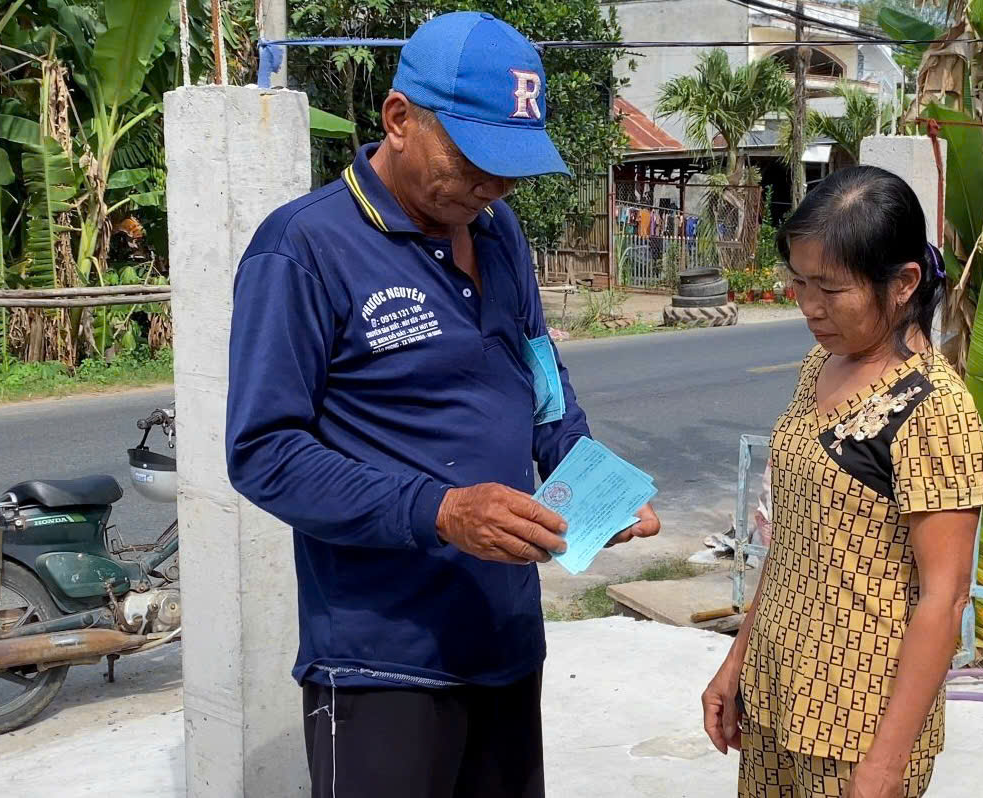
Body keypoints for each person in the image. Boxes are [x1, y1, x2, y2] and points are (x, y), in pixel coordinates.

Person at [224, 12, 660, 798]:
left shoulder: (498, 232)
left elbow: (539, 379)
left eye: (512, 167)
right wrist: (441, 511)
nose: (494, 185)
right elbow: (265, 453)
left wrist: (590, 476)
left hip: (505, 641)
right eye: (473, 160)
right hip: (380, 662)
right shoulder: (304, 249)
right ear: (399, 118)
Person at [701, 166, 983, 798]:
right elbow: (793, 544)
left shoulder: (934, 408)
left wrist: (885, 764)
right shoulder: (819, 366)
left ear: (903, 283)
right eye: (799, 282)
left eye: (830, 289)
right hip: (775, 697)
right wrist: (736, 662)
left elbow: (944, 599)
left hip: (859, 731)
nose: (808, 307)